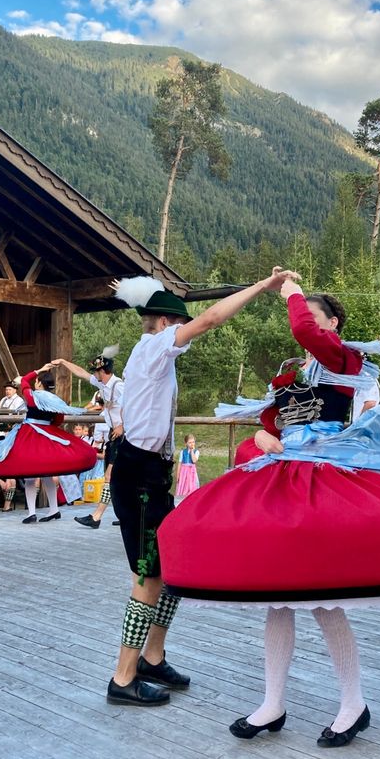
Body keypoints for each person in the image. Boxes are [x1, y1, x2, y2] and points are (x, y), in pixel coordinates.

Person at [159, 281, 380, 745]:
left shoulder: (346, 359)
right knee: (275, 597)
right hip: (283, 476)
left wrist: (290, 293)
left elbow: (307, 333)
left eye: (311, 313)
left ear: (332, 323)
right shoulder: (294, 370)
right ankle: (273, 703)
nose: (303, 318)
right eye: (302, 311)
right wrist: (261, 439)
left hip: (322, 474)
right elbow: (272, 426)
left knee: (323, 599)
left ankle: (353, 703)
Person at [105, 267, 299, 708]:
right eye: (177, 324)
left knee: (168, 569)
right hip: (140, 474)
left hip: (152, 471)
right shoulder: (154, 347)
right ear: (161, 322)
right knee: (148, 575)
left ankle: (152, 658)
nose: (181, 332)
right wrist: (262, 286)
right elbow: (211, 319)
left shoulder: (153, 352)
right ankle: (122, 677)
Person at [0, 366, 97, 524]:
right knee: (46, 472)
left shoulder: (33, 395)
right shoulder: (54, 400)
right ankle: (54, 509)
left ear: (40, 383)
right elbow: (59, 420)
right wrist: (48, 426)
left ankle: (32, 513)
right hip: (47, 434)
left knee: (29, 475)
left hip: (30, 435)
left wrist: (40, 369)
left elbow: (25, 380)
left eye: (37, 381)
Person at [52, 347, 123, 529]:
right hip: (114, 437)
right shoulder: (103, 385)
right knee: (120, 478)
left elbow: (135, 407)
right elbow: (82, 374)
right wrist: (64, 362)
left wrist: (123, 425)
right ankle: (126, 515)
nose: (94, 375)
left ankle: (96, 516)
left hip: (124, 436)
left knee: (109, 476)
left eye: (96, 371)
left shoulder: (118, 386)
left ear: (102, 371)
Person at [175, 434, 200, 503]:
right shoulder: (183, 452)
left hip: (191, 472)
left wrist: (192, 451)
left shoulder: (196, 452)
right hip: (184, 472)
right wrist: (178, 475)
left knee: (191, 486)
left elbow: (194, 461)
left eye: (193, 442)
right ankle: (182, 500)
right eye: (190, 442)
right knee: (183, 485)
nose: (192, 444)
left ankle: (191, 500)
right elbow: (180, 463)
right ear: (186, 443)